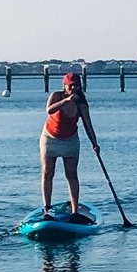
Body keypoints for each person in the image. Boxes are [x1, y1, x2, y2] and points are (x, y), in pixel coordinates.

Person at [40, 66, 98, 218]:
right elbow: (49, 110)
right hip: (50, 139)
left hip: (70, 141)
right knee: (48, 173)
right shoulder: (56, 96)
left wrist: (95, 144)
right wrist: (66, 101)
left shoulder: (82, 104)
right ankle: (47, 208)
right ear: (64, 86)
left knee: (72, 174)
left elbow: (88, 125)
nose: (73, 88)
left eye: (76, 85)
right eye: (70, 85)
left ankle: (75, 211)